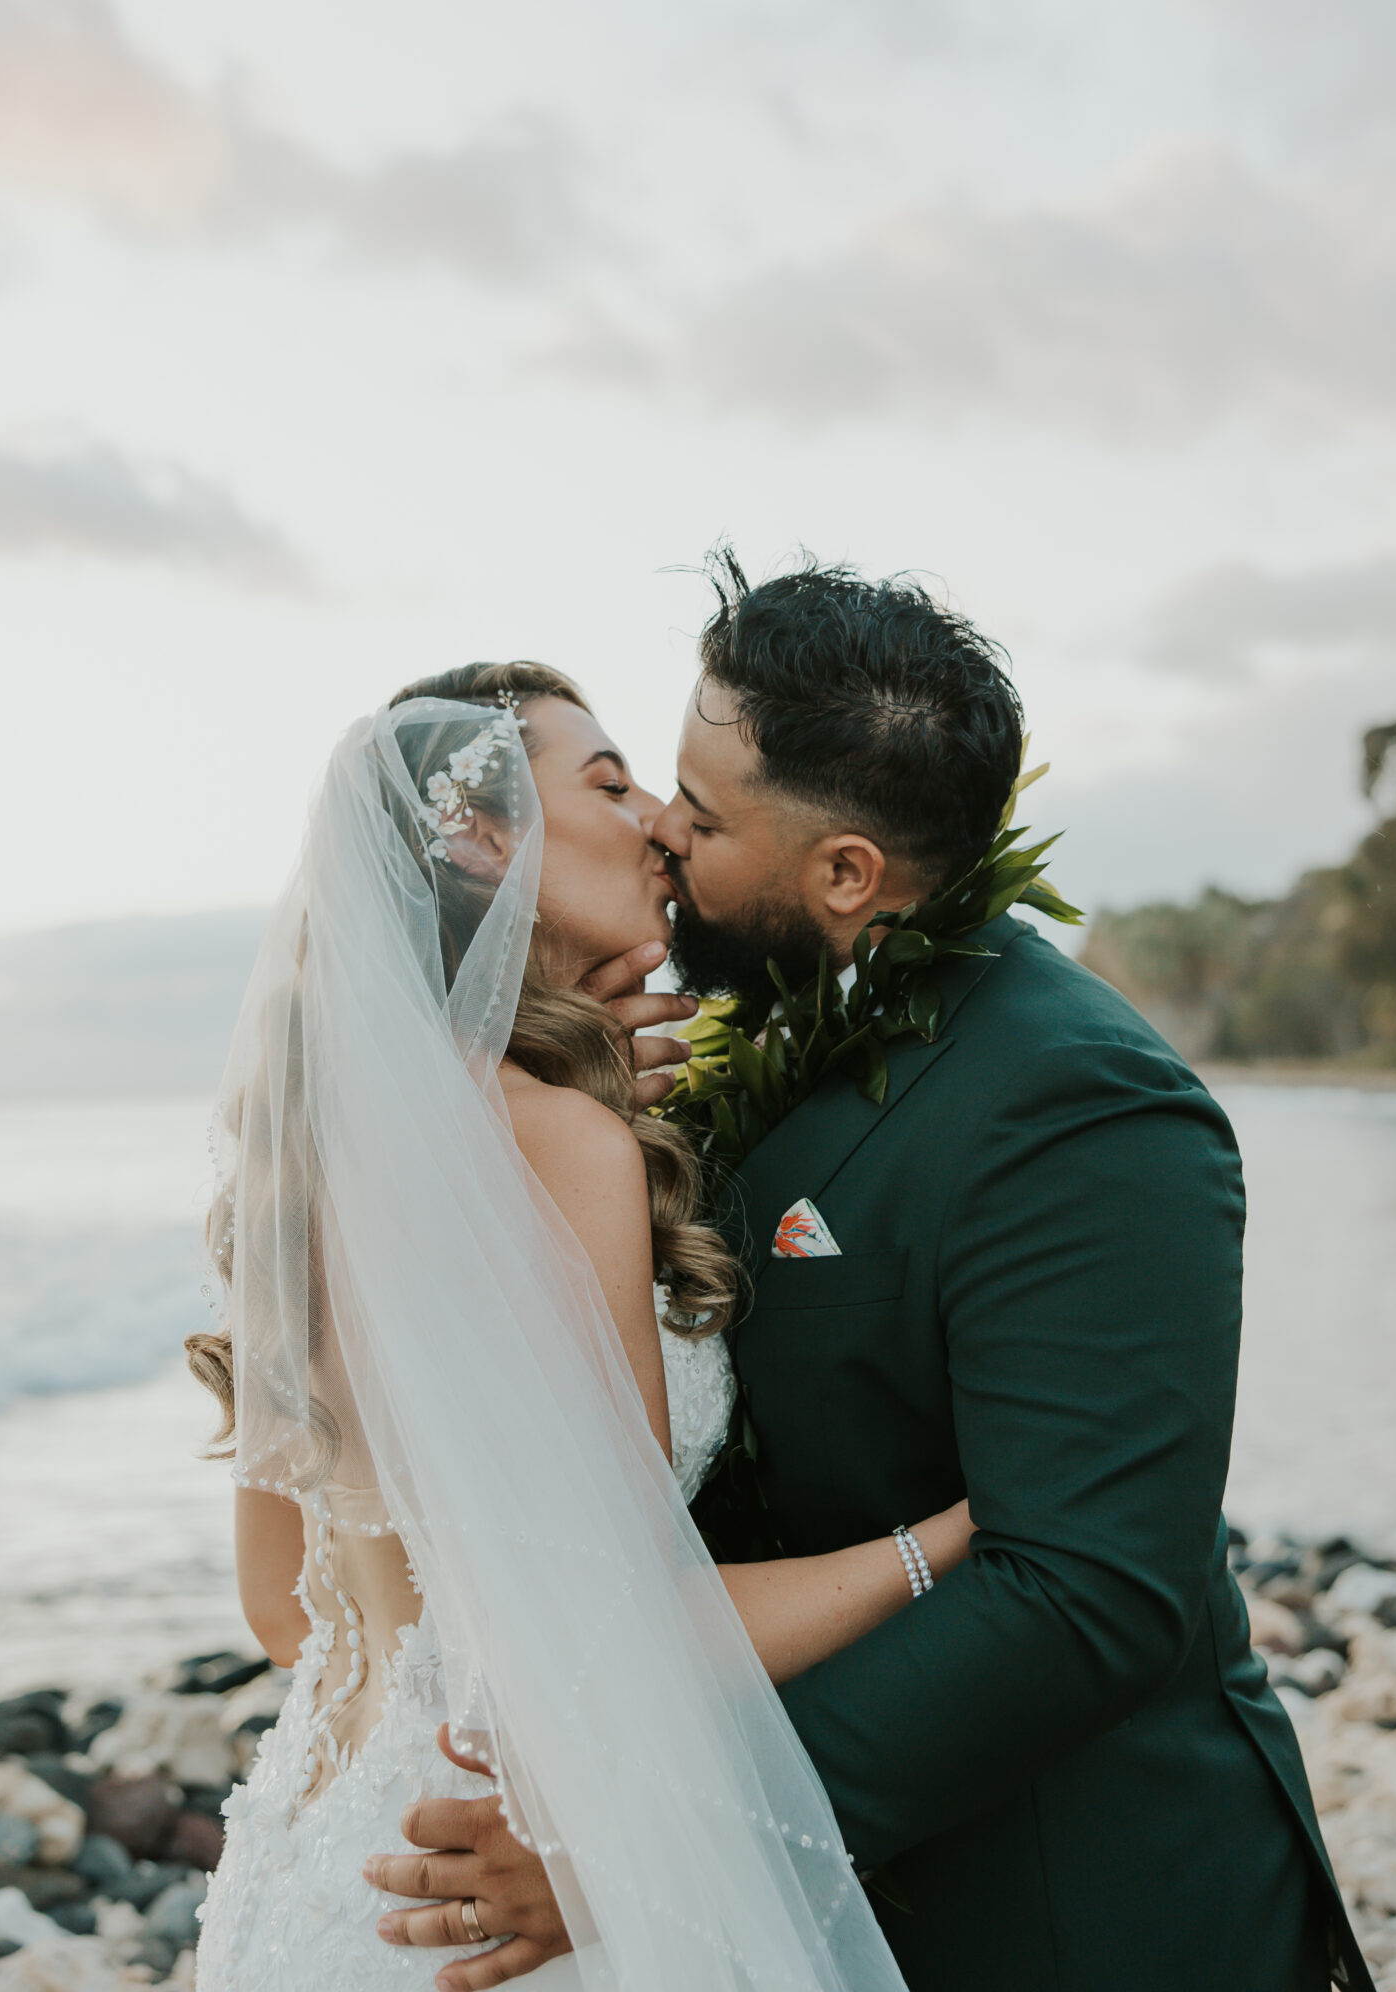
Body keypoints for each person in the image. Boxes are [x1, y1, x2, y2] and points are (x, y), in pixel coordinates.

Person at [377, 569, 1374, 1992]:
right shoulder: (706, 1052)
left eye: (703, 813)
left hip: (1065, 1911)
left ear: (846, 874)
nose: (661, 826)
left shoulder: (1081, 1103)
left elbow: (1084, 1596)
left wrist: (663, 1843)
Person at [189, 660, 964, 1992]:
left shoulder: (302, 1163)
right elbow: (642, 1636)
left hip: (322, 1866)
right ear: (483, 836)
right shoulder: (574, 1146)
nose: (661, 817)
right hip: (507, 1871)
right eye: (607, 783)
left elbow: (281, 1603)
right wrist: (951, 1538)